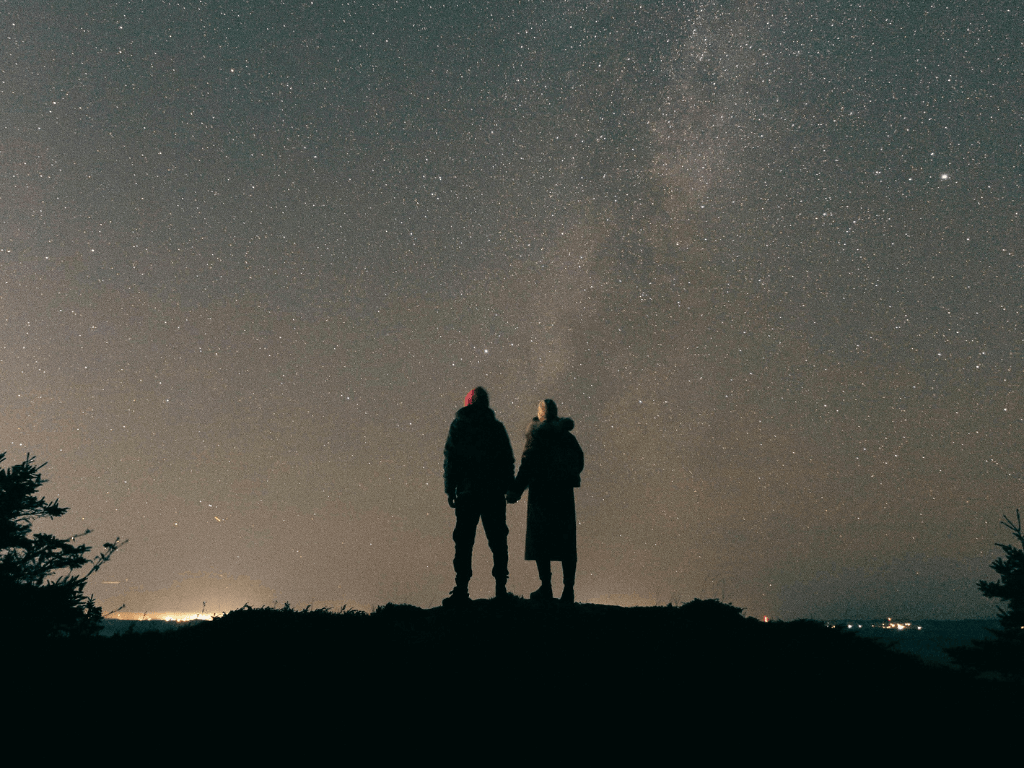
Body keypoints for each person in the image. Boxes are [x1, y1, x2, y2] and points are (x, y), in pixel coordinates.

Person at [442, 386, 515, 606]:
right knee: (498, 540)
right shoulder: (496, 427)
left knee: (464, 542)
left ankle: (461, 589)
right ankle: (501, 589)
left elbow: (451, 458)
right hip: (493, 493)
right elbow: (507, 459)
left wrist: (450, 488)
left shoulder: (459, 426)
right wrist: (508, 486)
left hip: (467, 492)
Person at [507, 399, 584, 603]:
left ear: (540, 414)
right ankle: (568, 590)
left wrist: (515, 491)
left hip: (541, 495)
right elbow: (579, 461)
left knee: (541, 540)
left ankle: (546, 588)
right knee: (566, 542)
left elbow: (527, 464)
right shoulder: (568, 437)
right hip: (564, 495)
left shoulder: (537, 436)